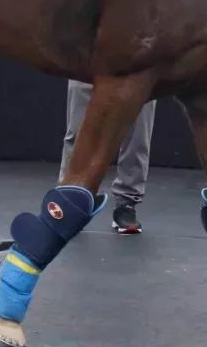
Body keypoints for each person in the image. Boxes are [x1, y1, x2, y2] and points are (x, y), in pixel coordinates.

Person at [59, 79, 156, 234]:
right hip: (87, 58)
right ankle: (71, 198)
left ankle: (127, 203)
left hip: (140, 61)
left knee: (139, 132)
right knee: (78, 130)